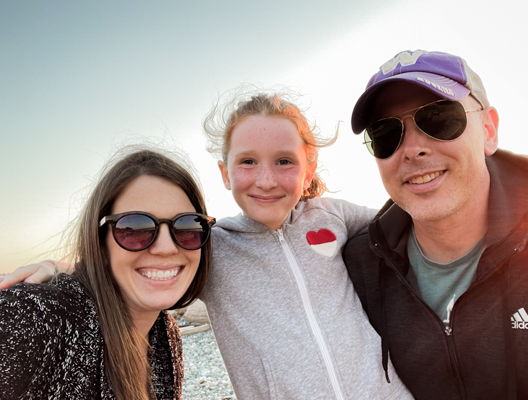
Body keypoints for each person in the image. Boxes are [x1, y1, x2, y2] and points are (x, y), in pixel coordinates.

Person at [2, 91, 413, 400]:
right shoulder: (209, 244)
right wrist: (58, 268)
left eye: (284, 161)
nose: (266, 179)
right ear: (225, 173)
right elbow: (133, 254)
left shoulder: (333, 216)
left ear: (309, 169)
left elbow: (410, 217)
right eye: (248, 161)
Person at [343, 49, 528, 399]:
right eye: (385, 133)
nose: (412, 149)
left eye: (438, 118)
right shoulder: (359, 267)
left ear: (488, 130)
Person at [0, 148, 215, 400]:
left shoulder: (166, 335)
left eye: (188, 226)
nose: (166, 247)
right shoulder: (33, 315)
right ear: (100, 243)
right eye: (135, 228)